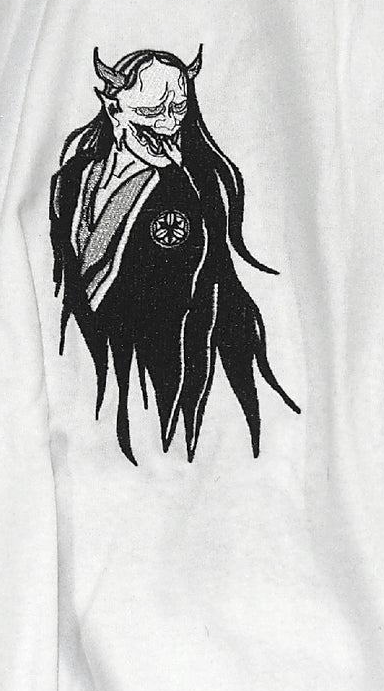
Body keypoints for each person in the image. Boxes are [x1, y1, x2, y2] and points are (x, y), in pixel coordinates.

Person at [50, 45, 297, 462]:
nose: (168, 124)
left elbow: (188, 310)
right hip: (70, 392)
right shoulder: (71, 181)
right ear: (114, 108)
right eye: (151, 111)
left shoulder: (183, 195)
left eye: (178, 108)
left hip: (151, 390)